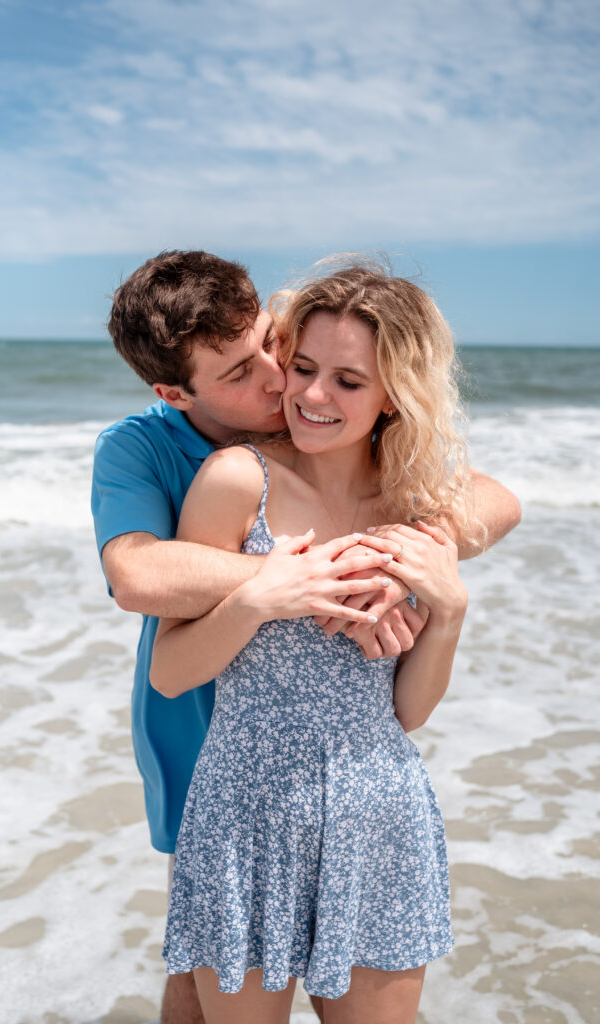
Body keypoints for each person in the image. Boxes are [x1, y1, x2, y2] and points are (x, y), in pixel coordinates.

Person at [91, 251, 521, 1024]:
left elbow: (494, 499)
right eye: (238, 370)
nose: (279, 380)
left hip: (370, 796)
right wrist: (287, 581)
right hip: (216, 755)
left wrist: (420, 568)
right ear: (174, 391)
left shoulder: (394, 480)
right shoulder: (174, 458)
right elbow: (137, 580)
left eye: (270, 345)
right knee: (194, 981)